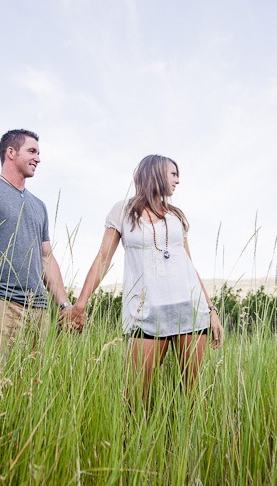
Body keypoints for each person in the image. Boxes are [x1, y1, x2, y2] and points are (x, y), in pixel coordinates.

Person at [71, 154, 223, 402]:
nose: (178, 180)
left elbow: (189, 265)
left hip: (190, 310)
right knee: (134, 398)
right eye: (173, 173)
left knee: (193, 398)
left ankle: (183, 441)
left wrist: (211, 309)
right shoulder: (123, 211)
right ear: (155, 172)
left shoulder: (176, 216)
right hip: (146, 314)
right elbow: (103, 259)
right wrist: (80, 303)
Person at [0, 129, 73, 353]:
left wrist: (65, 305)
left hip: (38, 311)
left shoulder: (39, 205)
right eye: (31, 151)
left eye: (38, 153)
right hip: (0, 304)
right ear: (11, 152)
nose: (38, 158)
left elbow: (46, 257)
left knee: (31, 385)